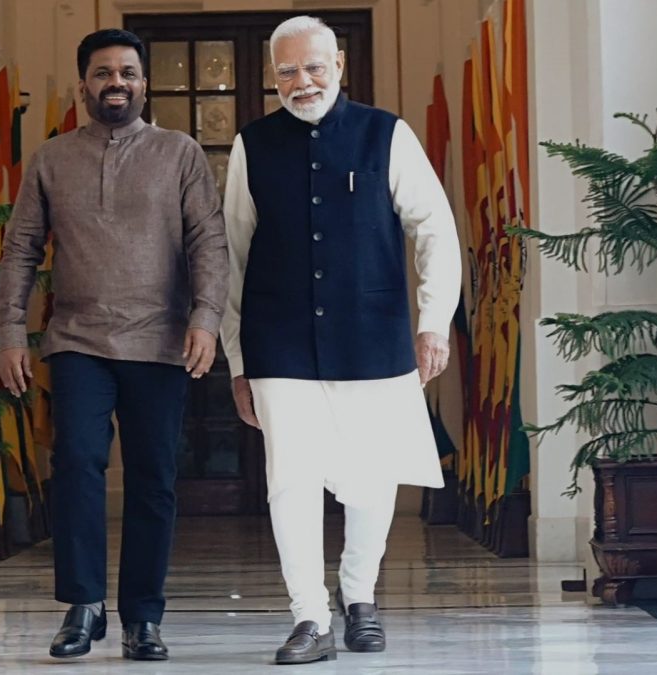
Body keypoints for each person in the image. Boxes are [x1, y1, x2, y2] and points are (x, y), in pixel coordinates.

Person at [220, 15, 462, 665]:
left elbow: (435, 230)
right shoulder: (252, 145)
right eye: (288, 72)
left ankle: (359, 597)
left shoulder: (387, 134)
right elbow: (232, 257)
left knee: (372, 479)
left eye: (314, 67)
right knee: (289, 482)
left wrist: (433, 321)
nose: (302, 81)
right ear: (273, 77)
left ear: (339, 66)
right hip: (279, 342)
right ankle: (309, 616)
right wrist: (237, 359)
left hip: (373, 336)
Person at [0, 28, 228, 662]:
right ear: (84, 87)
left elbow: (208, 242)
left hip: (162, 341)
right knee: (76, 465)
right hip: (78, 339)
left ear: (144, 84)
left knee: (154, 479)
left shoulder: (179, 153)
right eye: (103, 73)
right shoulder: (51, 158)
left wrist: (206, 319)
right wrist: (10, 331)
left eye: (127, 72)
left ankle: (143, 618)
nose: (116, 83)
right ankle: (83, 605)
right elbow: (20, 250)